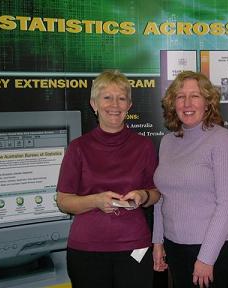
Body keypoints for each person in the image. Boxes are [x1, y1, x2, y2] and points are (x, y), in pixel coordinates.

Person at [56, 70, 160, 288]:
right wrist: (96, 201)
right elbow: (63, 201)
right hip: (87, 250)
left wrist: (142, 195)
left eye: (121, 98)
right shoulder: (78, 148)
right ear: (94, 104)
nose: (115, 104)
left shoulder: (144, 146)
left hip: (135, 248)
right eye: (107, 97)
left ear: (129, 105)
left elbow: (155, 193)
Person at [152, 71, 228, 288]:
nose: (187, 103)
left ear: (207, 103)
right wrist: (158, 241)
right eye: (180, 96)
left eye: (195, 96)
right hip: (174, 246)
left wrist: (206, 258)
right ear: (173, 103)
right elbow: (162, 198)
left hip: (211, 249)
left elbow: (227, 207)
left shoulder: (222, 139)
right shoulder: (167, 142)